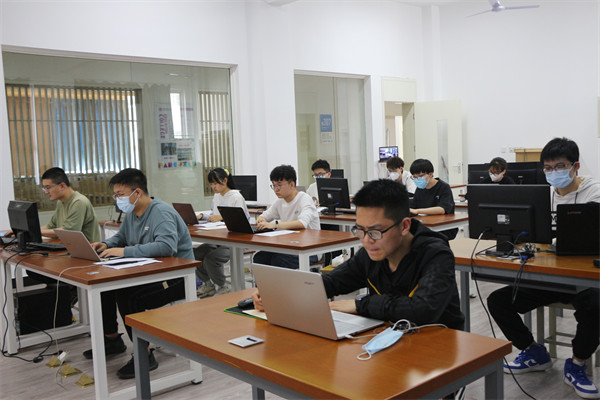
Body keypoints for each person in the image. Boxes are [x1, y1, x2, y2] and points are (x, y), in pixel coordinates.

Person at [253, 179, 464, 329]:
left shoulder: (435, 255)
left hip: (438, 347)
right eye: (360, 230)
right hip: (388, 339)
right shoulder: (371, 253)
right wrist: (277, 294)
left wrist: (358, 304)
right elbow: (331, 282)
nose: (366, 240)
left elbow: (423, 310)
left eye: (375, 231)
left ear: (404, 226)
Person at [487, 137, 600, 400]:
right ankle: (534, 352)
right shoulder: (541, 196)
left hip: (583, 279)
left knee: (596, 305)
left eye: (559, 166)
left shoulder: (594, 193)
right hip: (548, 276)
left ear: (575, 166)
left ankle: (577, 364)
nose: (553, 172)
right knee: (498, 301)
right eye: (548, 168)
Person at [85, 168, 194, 380]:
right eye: (115, 195)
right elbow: (121, 238)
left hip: (176, 278)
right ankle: (112, 339)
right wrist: (105, 244)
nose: (118, 199)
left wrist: (124, 251)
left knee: (128, 295)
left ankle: (144, 353)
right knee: (105, 287)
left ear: (137, 192)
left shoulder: (161, 212)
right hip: (149, 273)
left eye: (120, 194)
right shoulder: (132, 214)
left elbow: (166, 247)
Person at [195, 168, 248, 298]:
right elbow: (214, 215)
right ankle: (208, 284)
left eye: (216, 183)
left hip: (233, 241)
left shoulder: (236, 197)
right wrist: (202, 216)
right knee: (194, 254)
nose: (213, 187)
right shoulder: (217, 196)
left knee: (211, 259)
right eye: (211, 184)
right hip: (218, 238)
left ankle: (223, 286)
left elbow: (241, 220)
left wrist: (221, 217)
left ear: (225, 180)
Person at [254, 165, 320, 269]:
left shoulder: (304, 199)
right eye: (274, 186)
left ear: (292, 184)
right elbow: (264, 216)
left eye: (279, 185)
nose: (276, 189)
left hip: (309, 249)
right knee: (259, 258)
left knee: (278, 259)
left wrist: (274, 225)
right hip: (288, 246)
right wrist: (261, 221)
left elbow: (302, 223)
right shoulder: (280, 201)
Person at [409, 158, 457, 240]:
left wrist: (418, 211)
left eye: (420, 176)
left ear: (431, 174)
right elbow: (413, 207)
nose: (417, 180)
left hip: (443, 227)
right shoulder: (420, 189)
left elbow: (442, 209)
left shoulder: (444, 187)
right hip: (425, 225)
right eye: (415, 177)